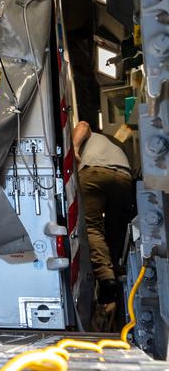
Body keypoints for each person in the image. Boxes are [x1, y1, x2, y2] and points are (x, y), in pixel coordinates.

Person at [74, 121, 136, 313]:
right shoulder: (114, 144)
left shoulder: (87, 134)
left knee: (92, 227)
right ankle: (116, 270)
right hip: (124, 177)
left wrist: (74, 148)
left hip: (94, 172)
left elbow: (83, 124)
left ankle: (107, 279)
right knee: (114, 228)